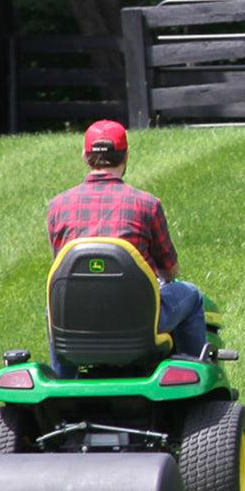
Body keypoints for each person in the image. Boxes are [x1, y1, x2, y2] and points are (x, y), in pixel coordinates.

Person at [46, 119, 208, 364]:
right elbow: (170, 270)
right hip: (136, 320)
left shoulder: (58, 206)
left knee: (55, 307)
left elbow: (63, 270)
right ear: (126, 156)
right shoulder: (147, 204)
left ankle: (62, 380)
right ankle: (194, 375)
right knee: (191, 294)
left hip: (76, 320)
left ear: (84, 156)